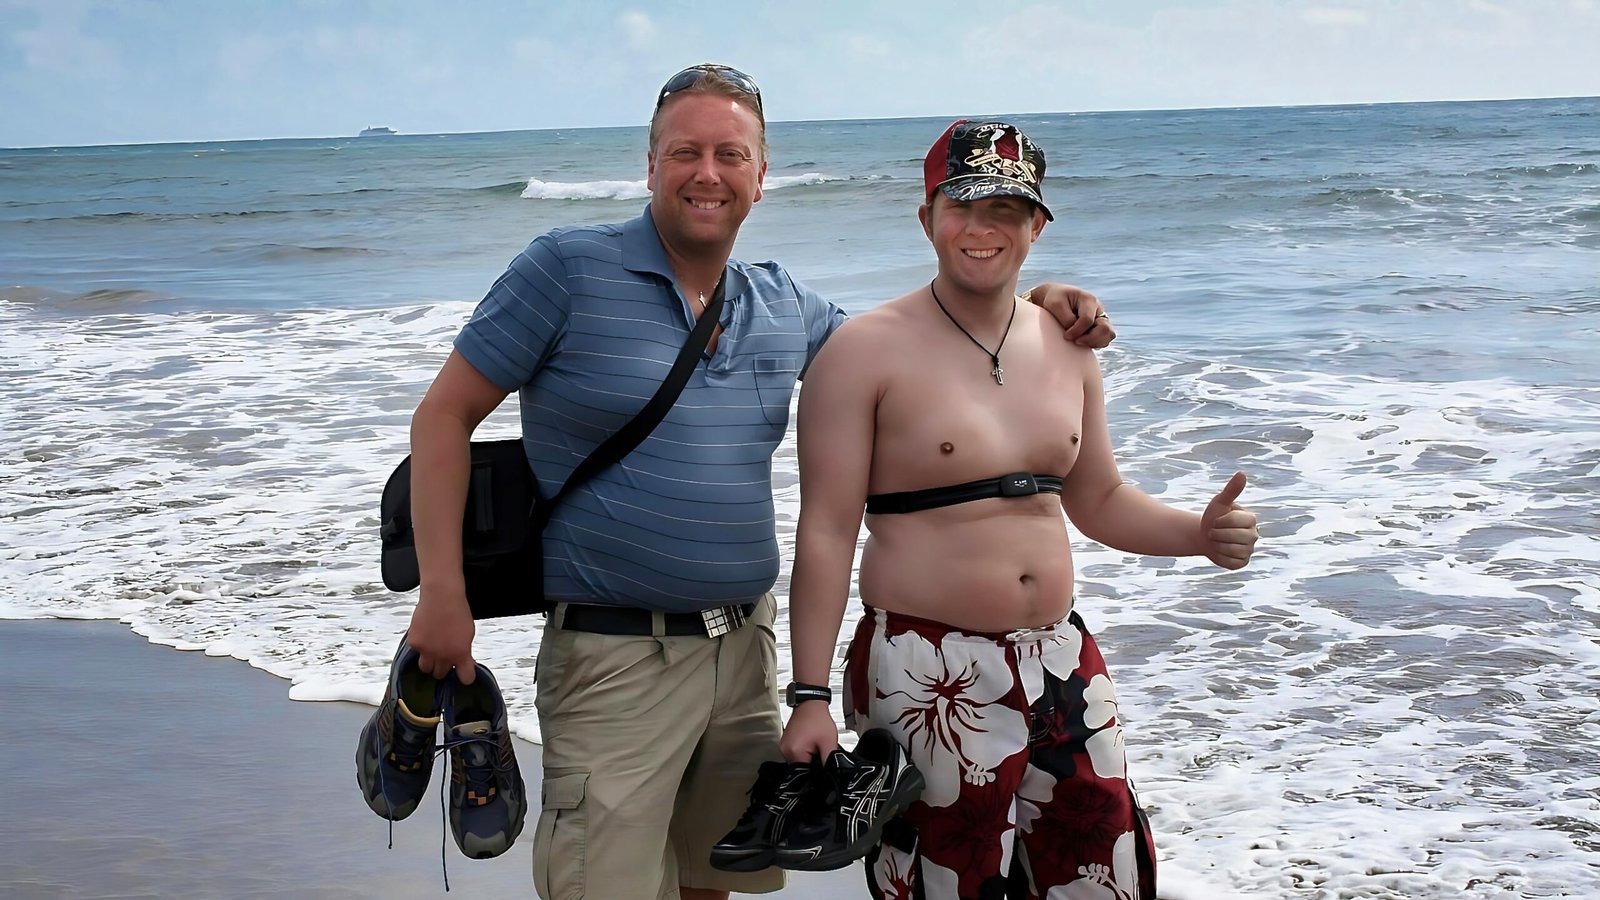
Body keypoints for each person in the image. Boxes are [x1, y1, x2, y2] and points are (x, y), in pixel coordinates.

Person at [403, 66, 1117, 900]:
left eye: (730, 154)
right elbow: (442, 418)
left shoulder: (780, 302)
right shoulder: (565, 269)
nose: (708, 173)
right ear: (651, 165)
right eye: (686, 152)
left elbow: (927, 345)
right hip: (613, 655)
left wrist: (1033, 302)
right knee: (604, 884)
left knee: (713, 881)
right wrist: (442, 595)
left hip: (745, 653)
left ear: (760, 176)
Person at [777, 119, 1259, 900]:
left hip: (1062, 660)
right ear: (927, 217)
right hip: (929, 669)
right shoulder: (861, 353)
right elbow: (827, 533)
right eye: (962, 206)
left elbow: (1099, 499)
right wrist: (808, 697)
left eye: (1005, 209)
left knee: (1102, 874)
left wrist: (1196, 535)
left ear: (1036, 226)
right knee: (945, 881)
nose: (982, 228)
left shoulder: (1069, 346)